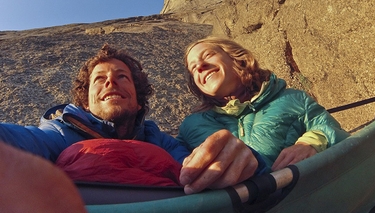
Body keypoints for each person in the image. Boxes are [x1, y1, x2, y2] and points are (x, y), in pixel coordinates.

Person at [0, 44, 263, 199]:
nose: (110, 81)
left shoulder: (159, 141)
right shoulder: (59, 132)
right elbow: (21, 142)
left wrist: (233, 160)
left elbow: (191, 167)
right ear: (86, 103)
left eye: (121, 76)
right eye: (99, 79)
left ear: (138, 101)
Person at [177, 36, 350, 172]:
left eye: (207, 55)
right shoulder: (190, 126)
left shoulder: (294, 99)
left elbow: (334, 131)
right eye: (193, 68)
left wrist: (311, 144)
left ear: (235, 57)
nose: (199, 66)